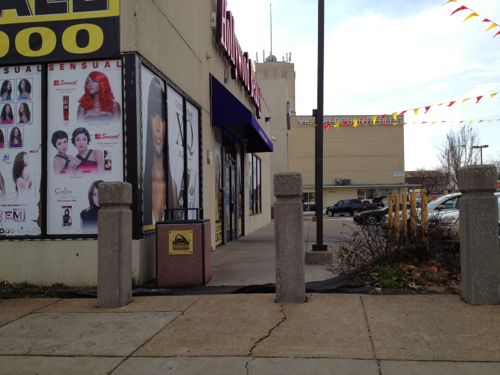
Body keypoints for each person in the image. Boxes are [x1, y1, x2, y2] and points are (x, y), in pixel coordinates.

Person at [143, 77, 177, 230]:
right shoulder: (142, 186)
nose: (157, 127)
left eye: (161, 118)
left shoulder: (172, 186)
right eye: (153, 115)